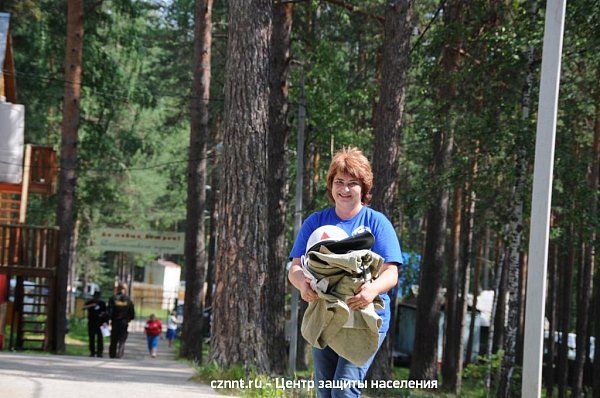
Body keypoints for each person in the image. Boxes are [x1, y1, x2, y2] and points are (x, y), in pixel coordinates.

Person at [288, 147, 403, 398]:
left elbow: (391, 273)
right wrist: (302, 285)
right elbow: (295, 267)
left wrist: (371, 290)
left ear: (364, 188)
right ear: (331, 185)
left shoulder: (377, 223)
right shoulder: (315, 222)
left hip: (363, 317)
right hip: (326, 314)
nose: (345, 189)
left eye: (353, 183)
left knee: (343, 389)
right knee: (325, 391)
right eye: (339, 182)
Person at [107, 282, 135, 359]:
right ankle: (119, 354)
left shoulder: (113, 299)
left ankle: (112, 354)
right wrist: (129, 318)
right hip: (124, 322)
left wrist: (108, 319)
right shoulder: (128, 300)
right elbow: (132, 312)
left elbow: (109, 311)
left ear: (117, 288)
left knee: (114, 339)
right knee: (122, 339)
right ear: (125, 289)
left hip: (115, 322)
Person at [82, 291, 107, 357]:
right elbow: (83, 307)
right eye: (96, 297)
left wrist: (105, 321)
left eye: (98, 297)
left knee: (100, 338)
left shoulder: (102, 303)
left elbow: (106, 312)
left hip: (100, 322)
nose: (97, 299)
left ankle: (99, 352)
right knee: (92, 337)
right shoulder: (90, 302)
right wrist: (91, 305)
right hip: (92, 322)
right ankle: (92, 352)